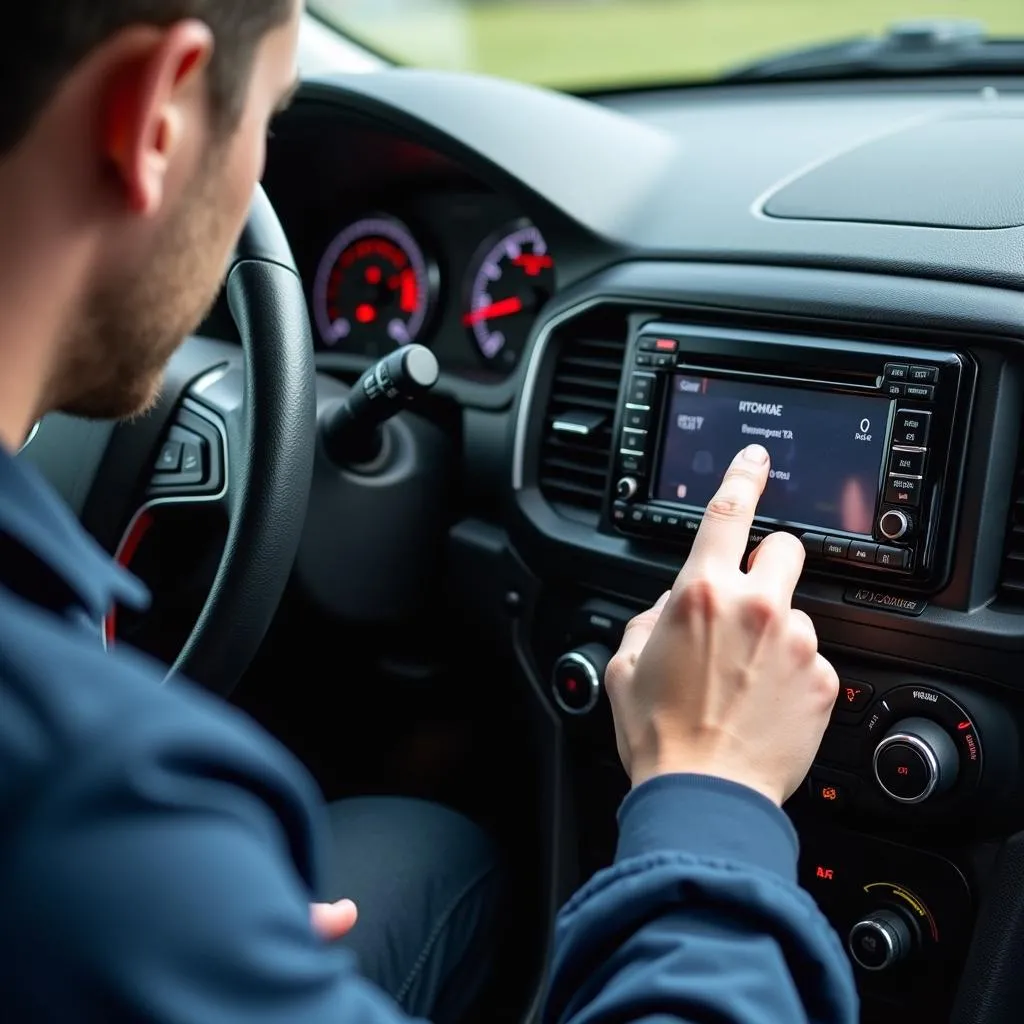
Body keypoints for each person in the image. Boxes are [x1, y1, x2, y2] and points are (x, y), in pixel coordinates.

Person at [0, 1, 858, 1022]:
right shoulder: (91, 804)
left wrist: (223, 941)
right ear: (155, 117)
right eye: (268, 124)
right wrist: (714, 793)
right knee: (442, 858)